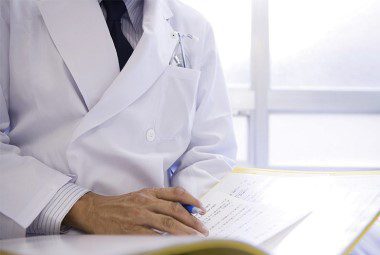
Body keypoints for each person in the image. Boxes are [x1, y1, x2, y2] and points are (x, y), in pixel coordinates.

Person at [0, 0, 237, 238]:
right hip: (54, 238)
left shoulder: (192, 26)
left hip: (158, 243)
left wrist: (175, 217)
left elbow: (212, 152)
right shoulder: (11, 10)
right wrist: (84, 208)